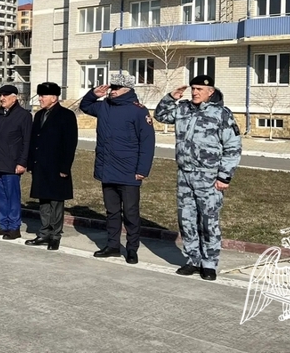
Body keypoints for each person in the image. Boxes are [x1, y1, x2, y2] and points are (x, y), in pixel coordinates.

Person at [154, 75, 242, 281]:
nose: (195, 92)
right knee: (187, 220)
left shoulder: (221, 114)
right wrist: (170, 97)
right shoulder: (183, 109)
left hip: (209, 177)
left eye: (200, 89)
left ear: (210, 92)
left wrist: (224, 177)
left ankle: (209, 263)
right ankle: (193, 260)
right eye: (193, 88)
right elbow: (161, 116)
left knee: (208, 220)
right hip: (185, 174)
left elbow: (233, 147)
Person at [80, 73, 155, 265]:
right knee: (111, 211)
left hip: (129, 171)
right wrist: (93, 94)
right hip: (108, 169)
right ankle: (113, 245)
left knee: (131, 213)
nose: (112, 91)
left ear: (127, 90)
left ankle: (132, 249)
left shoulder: (138, 111)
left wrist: (142, 170)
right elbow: (85, 106)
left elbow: (147, 143)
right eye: (111, 87)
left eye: (116, 88)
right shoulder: (104, 106)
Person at [26, 82, 78, 251]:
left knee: (56, 201)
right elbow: (34, 140)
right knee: (44, 201)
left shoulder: (66, 115)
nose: (40, 99)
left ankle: (55, 235)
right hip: (40, 165)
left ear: (54, 98)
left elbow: (70, 144)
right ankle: (43, 233)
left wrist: (65, 167)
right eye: (40, 95)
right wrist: (31, 162)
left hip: (57, 167)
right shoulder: (39, 115)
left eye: (43, 96)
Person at [0, 84, 31, 240]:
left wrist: (22, 162)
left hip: (12, 163)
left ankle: (14, 227)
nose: (1, 98)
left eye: (5, 95)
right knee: (1, 196)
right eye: (0, 95)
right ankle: (3, 225)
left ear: (14, 97)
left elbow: (26, 141)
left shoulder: (23, 115)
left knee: (12, 196)